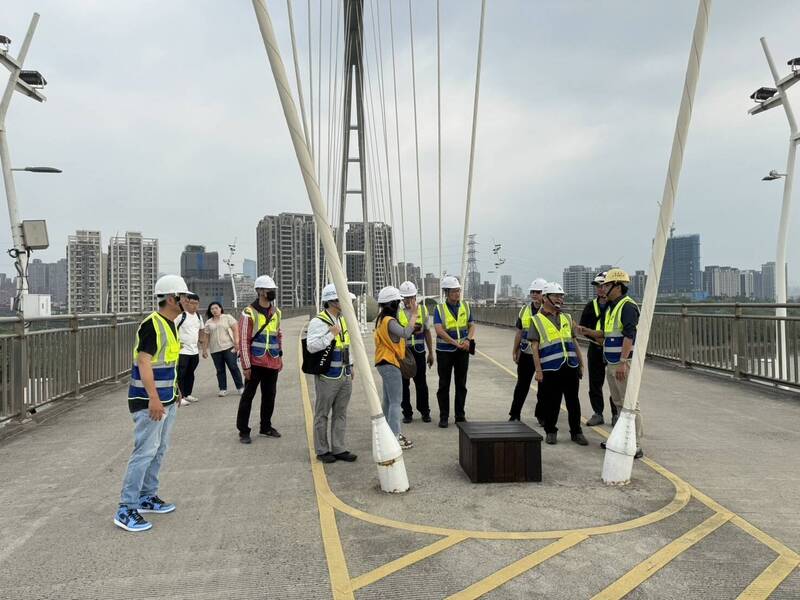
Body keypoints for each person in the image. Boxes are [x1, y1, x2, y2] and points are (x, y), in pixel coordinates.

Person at [114, 274, 188, 532]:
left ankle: (147, 496)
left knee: (159, 449)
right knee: (144, 451)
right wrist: (155, 399)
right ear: (171, 298)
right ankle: (126, 507)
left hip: (166, 399)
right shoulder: (152, 324)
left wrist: (175, 390)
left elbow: (166, 362)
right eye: (184, 297)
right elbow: (144, 362)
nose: (188, 301)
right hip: (149, 402)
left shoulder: (170, 324)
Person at [581, 268, 644, 459]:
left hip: (621, 362)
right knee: (618, 403)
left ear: (618, 286)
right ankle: (619, 439)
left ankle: (635, 444)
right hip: (611, 361)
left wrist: (624, 362)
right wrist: (588, 332)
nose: (603, 288)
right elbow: (607, 334)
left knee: (629, 403)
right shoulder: (612, 307)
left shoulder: (627, 306)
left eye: (607, 285)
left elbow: (629, 335)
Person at [530, 282, 588, 446]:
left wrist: (581, 363)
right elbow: (534, 347)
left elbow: (574, 342)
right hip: (550, 367)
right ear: (546, 298)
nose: (560, 299)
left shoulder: (567, 318)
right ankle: (550, 431)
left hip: (570, 366)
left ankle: (576, 432)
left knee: (573, 401)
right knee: (552, 401)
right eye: (556, 295)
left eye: (561, 296)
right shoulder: (536, 320)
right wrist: (538, 370)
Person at [306, 283, 357, 463]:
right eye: (343, 299)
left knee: (341, 413)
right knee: (322, 413)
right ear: (333, 301)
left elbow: (346, 345)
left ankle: (339, 448)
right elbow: (311, 346)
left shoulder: (343, 320)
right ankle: (322, 449)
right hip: (327, 376)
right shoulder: (318, 321)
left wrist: (351, 366)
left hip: (344, 373)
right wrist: (330, 335)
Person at [236, 275, 282, 445]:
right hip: (255, 363)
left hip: (272, 360)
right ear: (260, 291)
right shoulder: (248, 313)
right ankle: (243, 430)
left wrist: (280, 357)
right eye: (269, 290)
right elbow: (243, 340)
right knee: (248, 397)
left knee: (269, 396)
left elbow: (278, 335)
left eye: (273, 290)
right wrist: (246, 366)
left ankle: (266, 427)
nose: (272, 293)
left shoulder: (276, 312)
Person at [374, 285, 416, 449]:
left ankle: (384, 433)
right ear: (392, 304)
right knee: (395, 402)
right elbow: (405, 333)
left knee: (387, 401)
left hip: (384, 362)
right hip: (390, 363)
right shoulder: (389, 321)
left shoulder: (381, 320)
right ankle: (395, 436)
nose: (399, 305)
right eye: (397, 302)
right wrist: (414, 315)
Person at [433, 276, 475, 428]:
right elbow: (439, 330)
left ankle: (460, 415)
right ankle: (444, 416)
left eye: (458, 291)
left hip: (462, 351)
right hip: (444, 351)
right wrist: (455, 343)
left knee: (461, 383)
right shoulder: (439, 309)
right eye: (454, 291)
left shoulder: (466, 306)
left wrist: (468, 340)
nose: (457, 294)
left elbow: (472, 325)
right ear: (446, 293)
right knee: (444, 384)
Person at [578, 272, 618, 426]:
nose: (601, 289)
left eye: (604, 286)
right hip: (595, 348)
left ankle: (615, 413)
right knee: (595, 382)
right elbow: (583, 328)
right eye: (598, 286)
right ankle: (598, 413)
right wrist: (597, 338)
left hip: (613, 349)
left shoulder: (615, 305)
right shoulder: (590, 306)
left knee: (615, 382)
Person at [509, 278, 546, 422]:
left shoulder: (549, 311)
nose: (535, 294)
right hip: (526, 353)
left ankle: (541, 415)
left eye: (538, 292)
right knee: (521, 386)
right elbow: (519, 332)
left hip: (543, 355)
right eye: (533, 292)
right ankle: (514, 414)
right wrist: (515, 350)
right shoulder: (524, 310)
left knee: (543, 388)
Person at [397, 281, 434, 424]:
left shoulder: (423, 310)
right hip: (404, 353)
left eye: (410, 297)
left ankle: (425, 412)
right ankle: (407, 413)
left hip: (419, 352)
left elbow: (427, 333)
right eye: (405, 298)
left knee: (421, 383)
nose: (408, 301)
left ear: (415, 296)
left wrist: (431, 352)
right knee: (404, 384)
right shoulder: (398, 312)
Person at [203, 301, 244, 396]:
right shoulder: (208, 322)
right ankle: (222, 389)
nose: (214, 310)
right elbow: (206, 337)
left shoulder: (227, 317)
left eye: (216, 308)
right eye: (212, 309)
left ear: (220, 308)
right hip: (215, 349)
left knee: (233, 367)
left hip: (229, 347)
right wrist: (204, 350)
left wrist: (237, 343)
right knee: (220, 370)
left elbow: (235, 329)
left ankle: (240, 387)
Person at [175, 292, 205, 406]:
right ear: (187, 303)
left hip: (194, 350)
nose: (194, 306)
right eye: (192, 303)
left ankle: (188, 394)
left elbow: (201, 330)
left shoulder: (198, 316)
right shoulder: (180, 315)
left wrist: (202, 346)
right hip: (182, 351)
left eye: (196, 303)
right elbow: (172, 328)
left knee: (190, 373)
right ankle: (180, 396)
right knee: (181, 373)